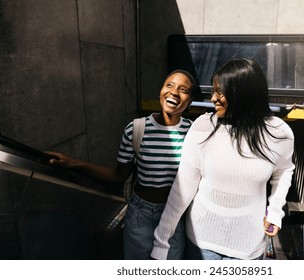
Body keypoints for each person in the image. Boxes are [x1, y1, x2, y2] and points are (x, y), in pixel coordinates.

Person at [47, 69, 200, 260]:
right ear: (161, 91)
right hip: (140, 214)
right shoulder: (136, 129)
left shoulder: (193, 132)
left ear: (190, 101)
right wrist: (73, 164)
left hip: (175, 215)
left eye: (183, 89)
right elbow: (119, 175)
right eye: (169, 85)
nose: (174, 92)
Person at [150, 58, 295, 260]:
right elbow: (182, 190)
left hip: (248, 247)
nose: (213, 99)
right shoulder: (203, 126)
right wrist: (161, 242)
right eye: (213, 91)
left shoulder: (278, 132)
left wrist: (276, 210)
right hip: (201, 244)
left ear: (244, 93)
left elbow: (283, 171)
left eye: (221, 92)